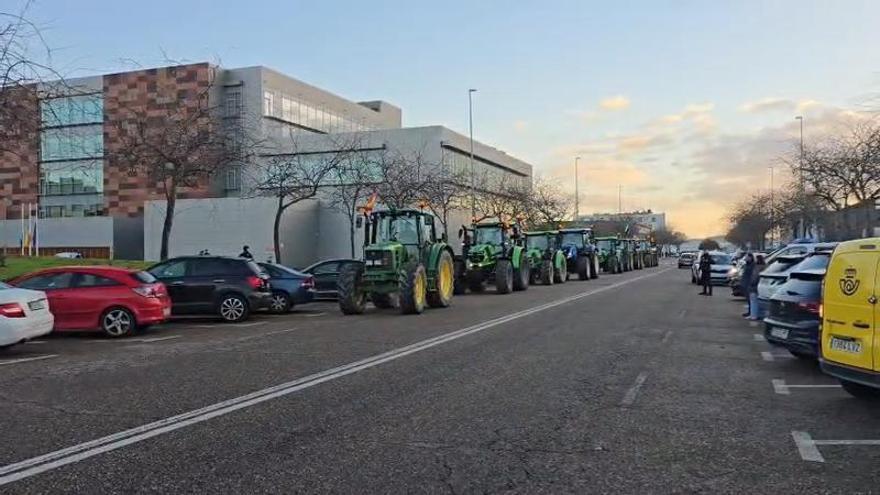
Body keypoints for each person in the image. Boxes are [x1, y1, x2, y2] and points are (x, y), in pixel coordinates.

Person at [748, 255, 766, 320]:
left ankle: (753, 315)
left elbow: (754, 277)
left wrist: (751, 283)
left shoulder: (757, 267)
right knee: (759, 302)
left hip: (754, 286)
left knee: (753, 301)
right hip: (762, 286)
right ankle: (758, 315)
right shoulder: (765, 267)